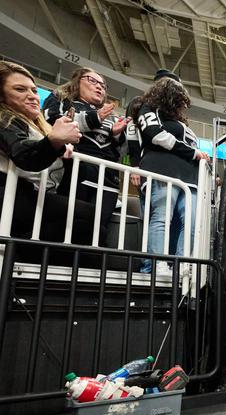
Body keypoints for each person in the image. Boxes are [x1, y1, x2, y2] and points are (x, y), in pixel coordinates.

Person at [0, 61, 94, 243]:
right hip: (10, 194)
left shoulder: (43, 127)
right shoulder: (4, 118)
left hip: (39, 197)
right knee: (86, 216)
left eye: (34, 91)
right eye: (20, 89)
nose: (32, 97)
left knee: (85, 224)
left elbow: (78, 176)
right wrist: (54, 141)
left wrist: (66, 154)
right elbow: (25, 157)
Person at [130, 78, 210, 275]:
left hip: (190, 178)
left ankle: (183, 265)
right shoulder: (148, 108)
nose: (183, 106)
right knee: (162, 217)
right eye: (179, 100)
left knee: (190, 222)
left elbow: (189, 147)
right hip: (161, 170)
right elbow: (155, 135)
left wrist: (200, 157)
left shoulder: (180, 123)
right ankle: (158, 264)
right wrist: (193, 153)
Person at [43, 68, 128, 236]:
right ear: (77, 82)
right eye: (93, 81)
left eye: (103, 85)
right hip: (74, 171)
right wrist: (93, 118)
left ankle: (87, 261)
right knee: (68, 224)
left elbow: (120, 153)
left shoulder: (112, 116)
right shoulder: (62, 99)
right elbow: (51, 123)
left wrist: (117, 135)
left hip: (108, 179)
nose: (99, 87)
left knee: (98, 230)